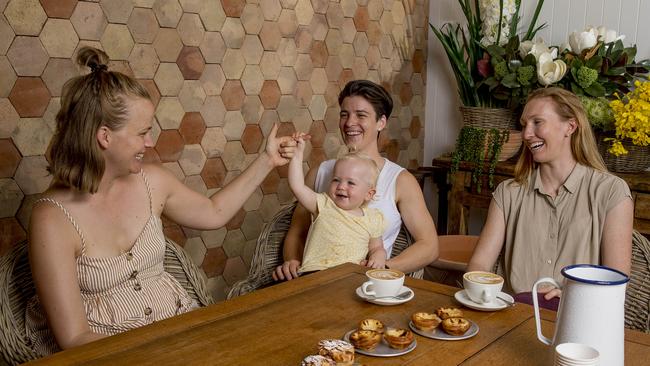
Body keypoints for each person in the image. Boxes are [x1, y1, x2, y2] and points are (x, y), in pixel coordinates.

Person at [25, 47, 296, 356]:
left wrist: (267, 160)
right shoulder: (52, 218)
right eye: (143, 132)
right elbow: (73, 338)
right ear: (104, 137)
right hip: (117, 355)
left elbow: (213, 213)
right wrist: (159, 353)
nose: (150, 142)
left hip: (180, 332)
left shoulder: (151, 181)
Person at [466, 87, 633, 304]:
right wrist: (484, 293)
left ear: (570, 126)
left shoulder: (611, 192)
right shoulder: (508, 193)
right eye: (525, 124)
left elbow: (616, 283)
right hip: (511, 314)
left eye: (537, 122)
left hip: (579, 317)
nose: (526, 134)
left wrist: (575, 299)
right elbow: (478, 265)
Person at [273, 80, 439, 281]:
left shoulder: (400, 180)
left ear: (381, 122)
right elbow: (298, 231)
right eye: (344, 114)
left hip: (365, 283)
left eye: (361, 115)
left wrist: (384, 268)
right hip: (314, 280)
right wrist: (292, 262)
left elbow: (429, 246)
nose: (350, 123)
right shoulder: (319, 173)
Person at [288, 133, 386, 273]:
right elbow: (297, 186)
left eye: (350, 182)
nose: (341, 186)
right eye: (336, 180)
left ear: (368, 194)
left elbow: (376, 247)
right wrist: (297, 156)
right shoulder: (323, 204)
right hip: (315, 274)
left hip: (349, 277)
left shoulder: (372, 219)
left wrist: (379, 256)